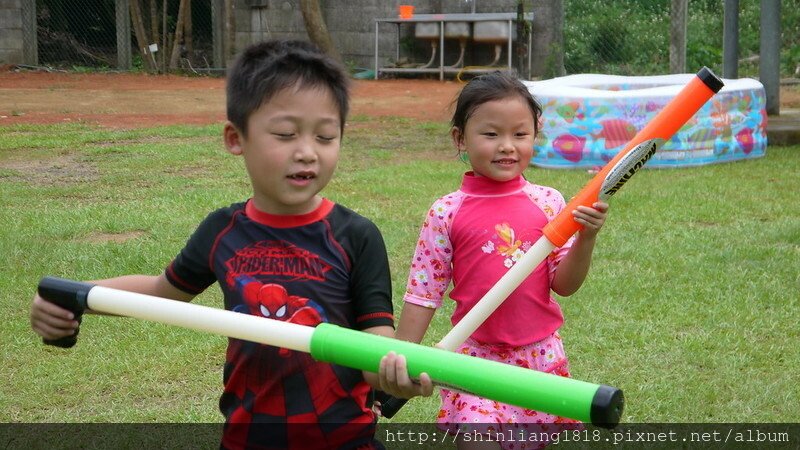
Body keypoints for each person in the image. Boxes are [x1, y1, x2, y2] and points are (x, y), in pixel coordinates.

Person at [30, 38, 430, 450]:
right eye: (285, 134)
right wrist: (71, 296)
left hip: (346, 440)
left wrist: (395, 373)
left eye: (326, 137)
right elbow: (157, 292)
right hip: (246, 438)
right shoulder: (222, 230)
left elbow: (375, 351)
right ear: (235, 138)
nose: (307, 152)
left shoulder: (356, 235)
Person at [392, 71, 609, 449]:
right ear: (461, 139)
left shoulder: (549, 203)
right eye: (491, 134)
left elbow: (565, 285)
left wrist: (587, 238)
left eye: (520, 135)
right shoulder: (446, 212)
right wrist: (400, 361)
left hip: (539, 357)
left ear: (534, 136)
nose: (507, 146)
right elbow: (423, 292)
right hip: (474, 357)